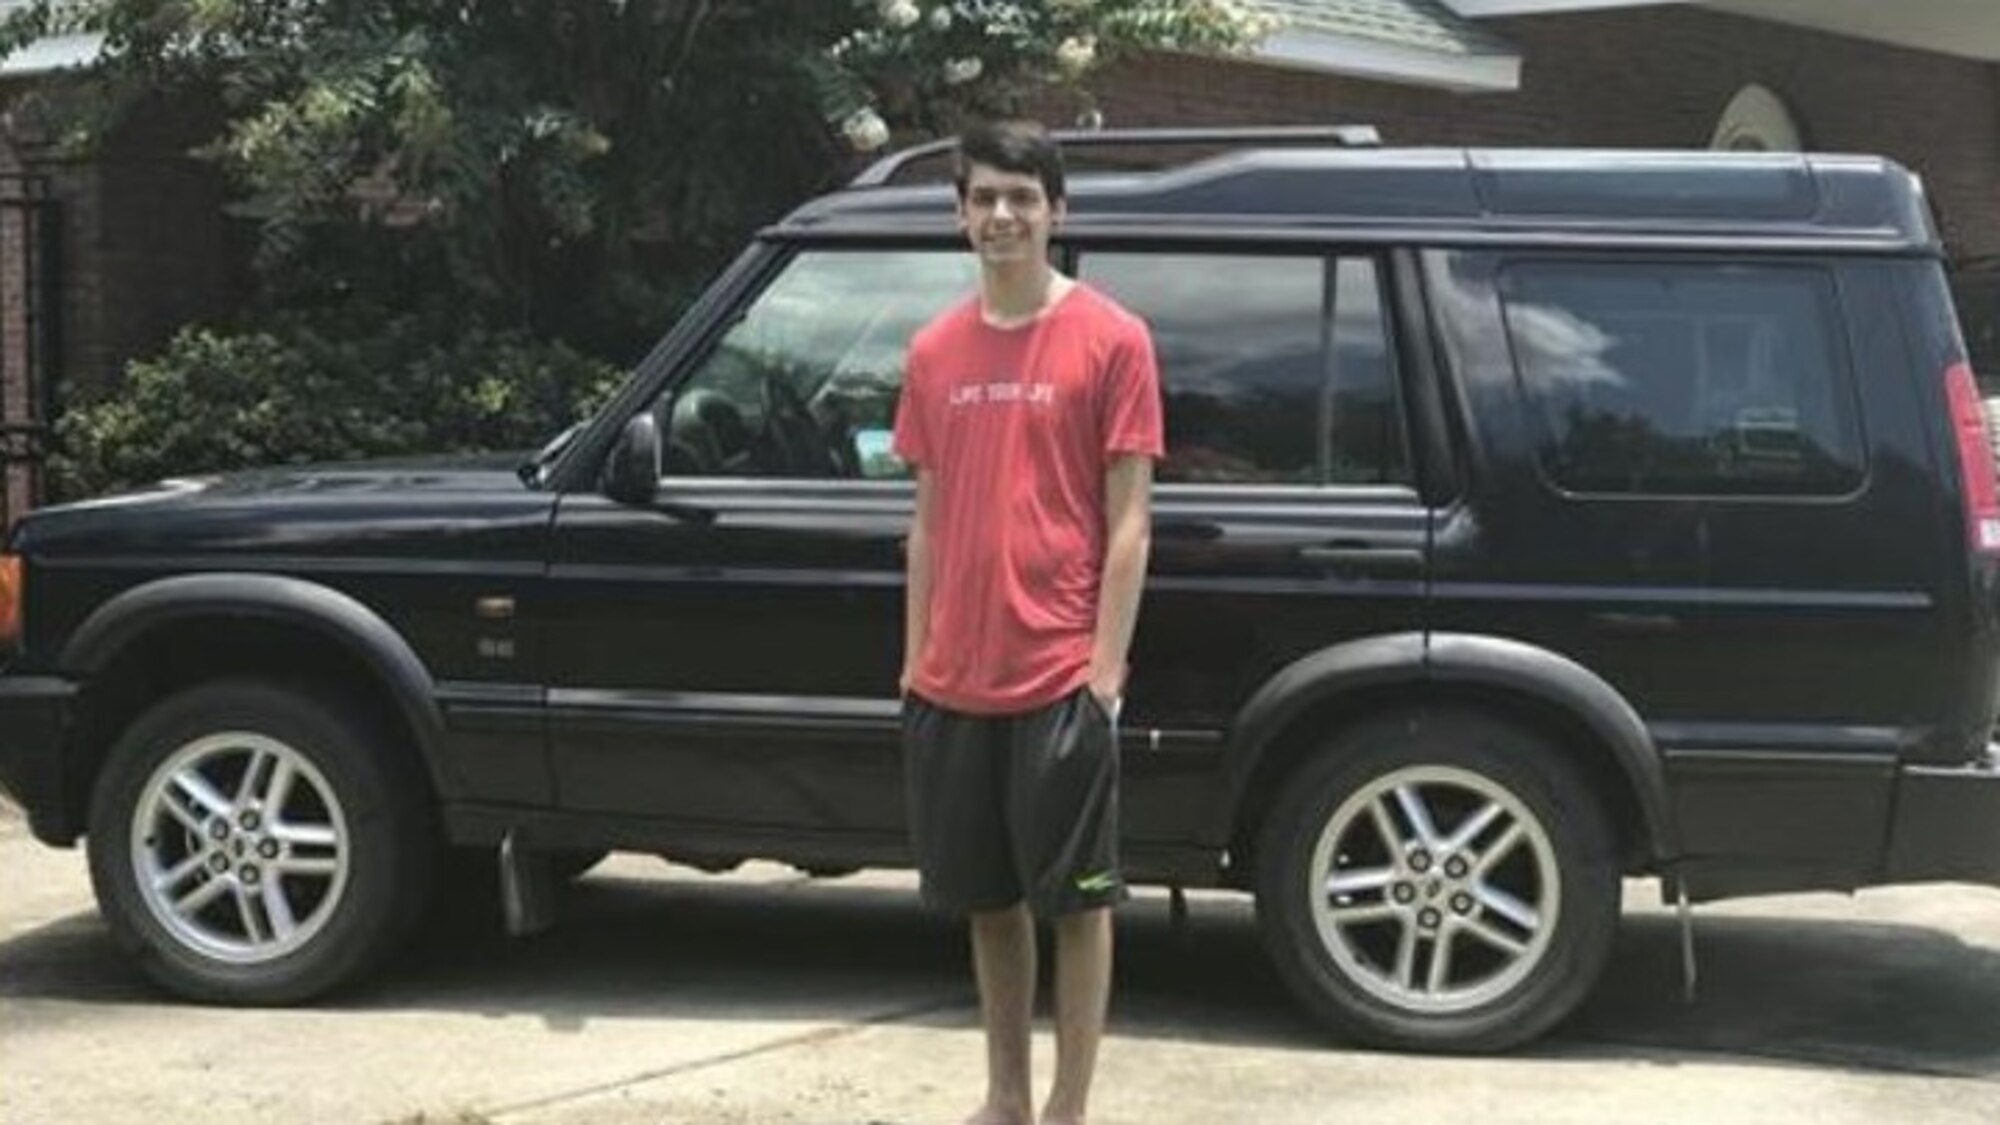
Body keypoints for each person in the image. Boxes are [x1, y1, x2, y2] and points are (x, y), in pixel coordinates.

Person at [893, 119, 1164, 1125]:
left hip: (1059, 676)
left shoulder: (1112, 338)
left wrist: (1102, 674)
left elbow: (1129, 517)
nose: (1000, 215)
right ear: (959, 214)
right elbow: (923, 521)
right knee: (988, 903)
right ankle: (1004, 1100)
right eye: (982, 197)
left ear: (1055, 209)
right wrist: (913, 662)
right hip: (952, 678)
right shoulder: (932, 350)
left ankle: (1066, 1109)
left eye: (1020, 196)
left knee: (1076, 905)